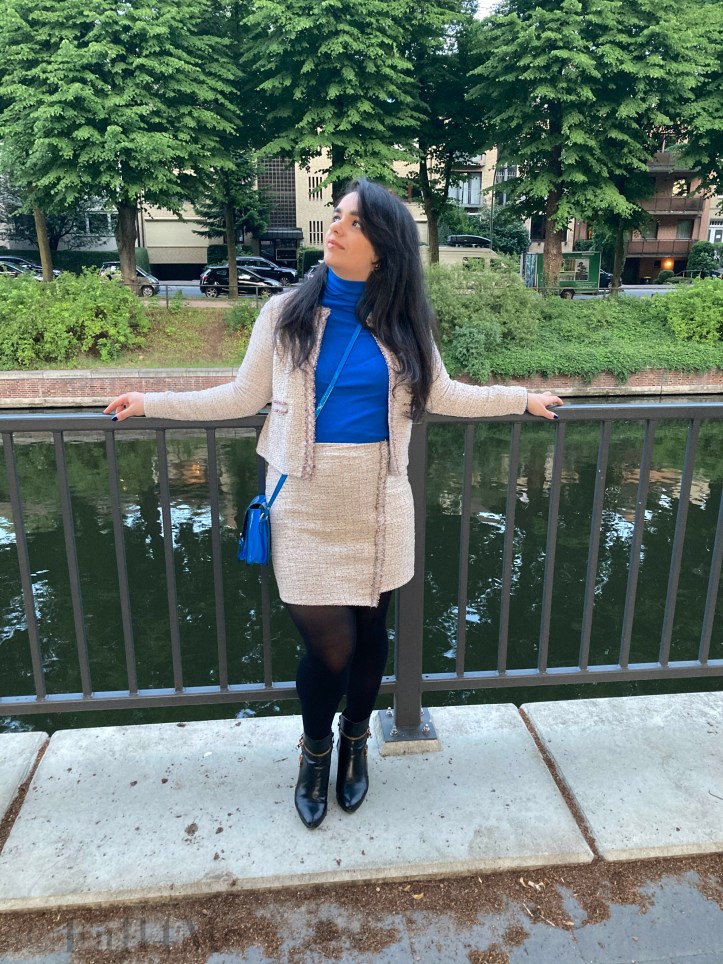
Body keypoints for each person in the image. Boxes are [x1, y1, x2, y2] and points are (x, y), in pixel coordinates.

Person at [105, 179, 562, 830]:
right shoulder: (287, 313)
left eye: (351, 220)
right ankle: (314, 751)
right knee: (331, 648)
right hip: (304, 504)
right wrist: (151, 403)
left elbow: (446, 393)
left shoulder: (404, 320)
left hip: (378, 502)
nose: (336, 227)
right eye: (338, 215)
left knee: (371, 633)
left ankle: (355, 741)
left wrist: (520, 398)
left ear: (382, 245)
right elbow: (239, 397)